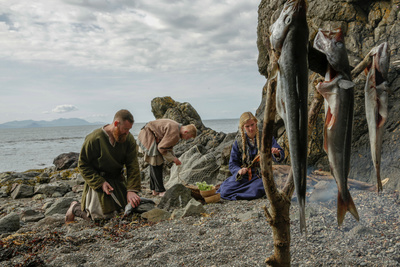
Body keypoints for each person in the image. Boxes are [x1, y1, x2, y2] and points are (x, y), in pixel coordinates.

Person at [65, 109, 141, 222]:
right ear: (116, 124)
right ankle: (75, 207)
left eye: (129, 129)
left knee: (126, 213)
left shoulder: (128, 139)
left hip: (117, 181)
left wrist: (131, 190)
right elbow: (83, 165)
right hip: (99, 182)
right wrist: (100, 182)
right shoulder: (94, 139)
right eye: (125, 129)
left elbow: (133, 165)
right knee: (99, 219)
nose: (127, 133)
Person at [217, 112, 285, 200]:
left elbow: (280, 155)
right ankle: (243, 193)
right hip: (244, 176)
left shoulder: (266, 137)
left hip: (261, 175)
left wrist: (276, 153)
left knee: (258, 187)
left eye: (252, 125)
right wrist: (239, 170)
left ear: (256, 122)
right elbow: (232, 164)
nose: (251, 128)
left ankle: (244, 194)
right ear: (243, 127)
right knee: (225, 190)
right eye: (247, 126)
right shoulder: (238, 142)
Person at [138, 119, 197, 197]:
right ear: (186, 132)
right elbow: (161, 148)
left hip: (145, 133)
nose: (186, 139)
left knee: (153, 163)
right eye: (188, 137)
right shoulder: (175, 133)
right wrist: (173, 159)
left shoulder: (176, 126)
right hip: (147, 137)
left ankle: (154, 190)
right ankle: (160, 191)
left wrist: (174, 157)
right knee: (157, 163)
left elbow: (168, 147)